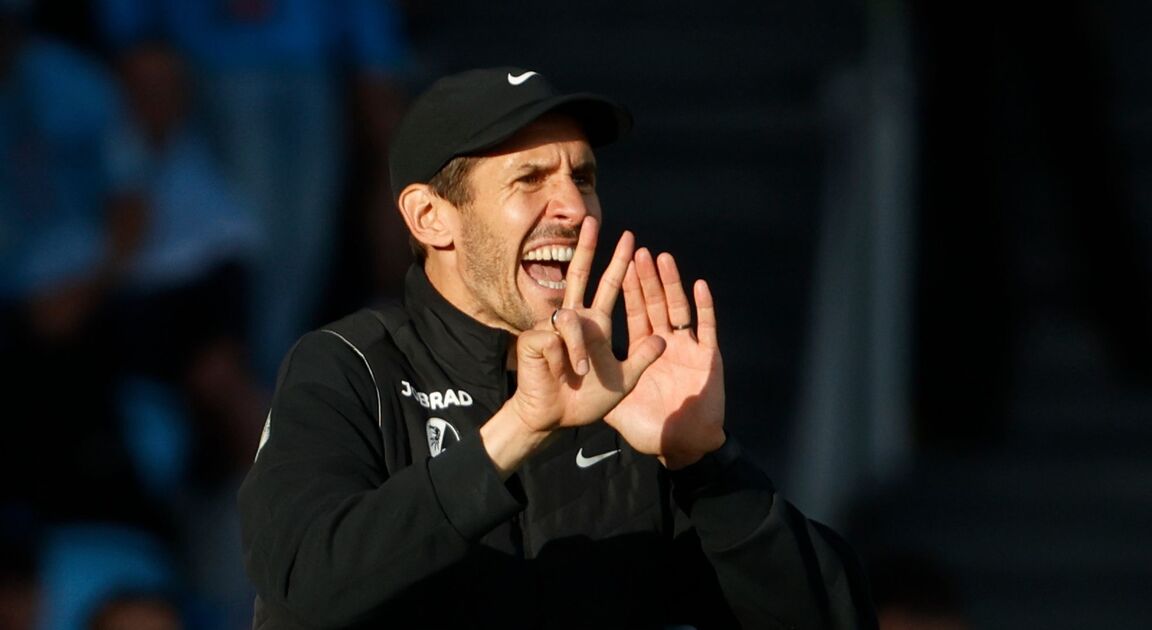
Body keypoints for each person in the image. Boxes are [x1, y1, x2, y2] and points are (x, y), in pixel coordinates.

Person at [238, 67, 876, 629]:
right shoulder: (349, 368)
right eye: (530, 179)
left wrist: (708, 466)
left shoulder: (624, 405)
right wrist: (517, 429)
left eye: (583, 177)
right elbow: (306, 585)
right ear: (431, 217)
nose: (574, 206)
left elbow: (832, 617)